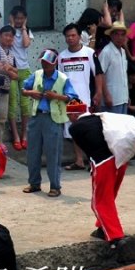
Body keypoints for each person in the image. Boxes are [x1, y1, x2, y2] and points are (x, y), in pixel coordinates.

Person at [68, 111, 135, 250]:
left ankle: (115, 237)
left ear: (73, 115)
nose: (68, 119)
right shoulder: (99, 117)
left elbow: (89, 149)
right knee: (109, 195)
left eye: (68, 115)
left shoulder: (74, 128)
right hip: (121, 159)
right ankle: (101, 228)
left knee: (99, 202)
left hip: (103, 163)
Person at [21, 49, 78, 197]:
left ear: (54, 63)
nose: (45, 65)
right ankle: (34, 183)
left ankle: (55, 186)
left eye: (48, 63)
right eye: (43, 62)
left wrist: (56, 96)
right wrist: (30, 93)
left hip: (53, 119)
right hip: (36, 116)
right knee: (32, 153)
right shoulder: (37, 74)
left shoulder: (63, 78)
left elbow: (72, 97)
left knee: (53, 154)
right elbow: (23, 89)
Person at [58, 23, 104, 170]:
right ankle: (78, 160)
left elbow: (98, 73)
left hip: (85, 98)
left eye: (73, 35)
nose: (70, 38)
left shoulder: (89, 53)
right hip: (68, 100)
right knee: (74, 131)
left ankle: (93, 161)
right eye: (67, 36)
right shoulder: (61, 57)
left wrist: (98, 92)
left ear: (79, 36)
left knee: (88, 131)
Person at [8, 6, 34, 151]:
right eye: (16, 18)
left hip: (24, 70)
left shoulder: (27, 31)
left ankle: (25, 135)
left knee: (25, 104)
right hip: (11, 70)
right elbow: (8, 43)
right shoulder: (7, 30)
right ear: (12, 17)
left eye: (21, 18)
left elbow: (26, 44)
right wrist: (11, 26)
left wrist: (23, 28)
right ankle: (16, 136)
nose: (19, 20)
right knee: (12, 103)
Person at [99, 21, 130, 114]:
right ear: (111, 36)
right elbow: (100, 74)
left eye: (122, 35)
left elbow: (123, 75)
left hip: (122, 97)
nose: (119, 38)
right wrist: (106, 94)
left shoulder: (123, 52)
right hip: (112, 98)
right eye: (116, 34)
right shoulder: (106, 52)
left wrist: (127, 96)